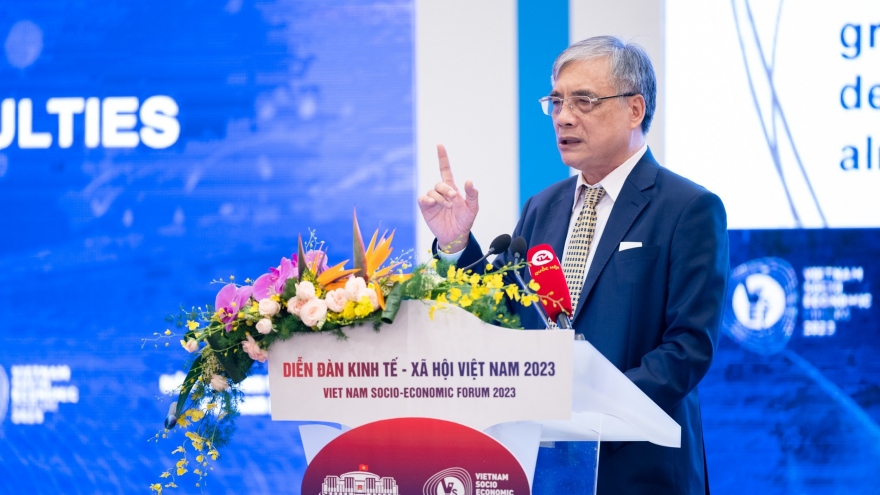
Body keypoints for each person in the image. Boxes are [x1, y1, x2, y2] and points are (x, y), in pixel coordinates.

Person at [417, 36, 729, 495]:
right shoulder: (543, 206)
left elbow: (688, 348)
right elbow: (500, 317)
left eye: (584, 101)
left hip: (640, 471)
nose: (563, 116)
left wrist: (587, 410)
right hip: (545, 467)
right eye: (557, 102)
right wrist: (455, 242)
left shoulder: (688, 208)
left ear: (635, 109)